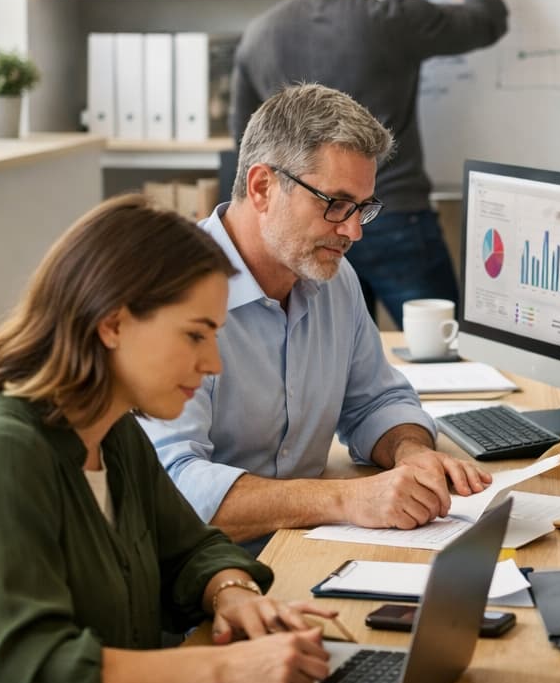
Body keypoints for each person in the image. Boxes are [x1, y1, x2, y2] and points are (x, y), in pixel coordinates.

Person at [0, 196, 340, 683]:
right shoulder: (0, 454)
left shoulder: (117, 436)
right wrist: (225, 671)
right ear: (112, 324)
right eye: (195, 334)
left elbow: (195, 551)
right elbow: (36, 679)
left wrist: (231, 595)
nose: (212, 363)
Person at [142, 83, 489, 549]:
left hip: (302, 547)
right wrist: (346, 500)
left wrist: (410, 452)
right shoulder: (170, 296)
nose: (352, 232)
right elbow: (175, 490)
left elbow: (374, 401)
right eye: (334, 204)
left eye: (362, 209)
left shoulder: (333, 278)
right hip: (205, 578)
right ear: (262, 187)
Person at [230, 0, 509, 327]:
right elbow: (487, 18)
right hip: (394, 214)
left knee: (331, 357)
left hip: (307, 226)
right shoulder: (391, 20)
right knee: (449, 353)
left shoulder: (259, 35)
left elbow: (244, 149)